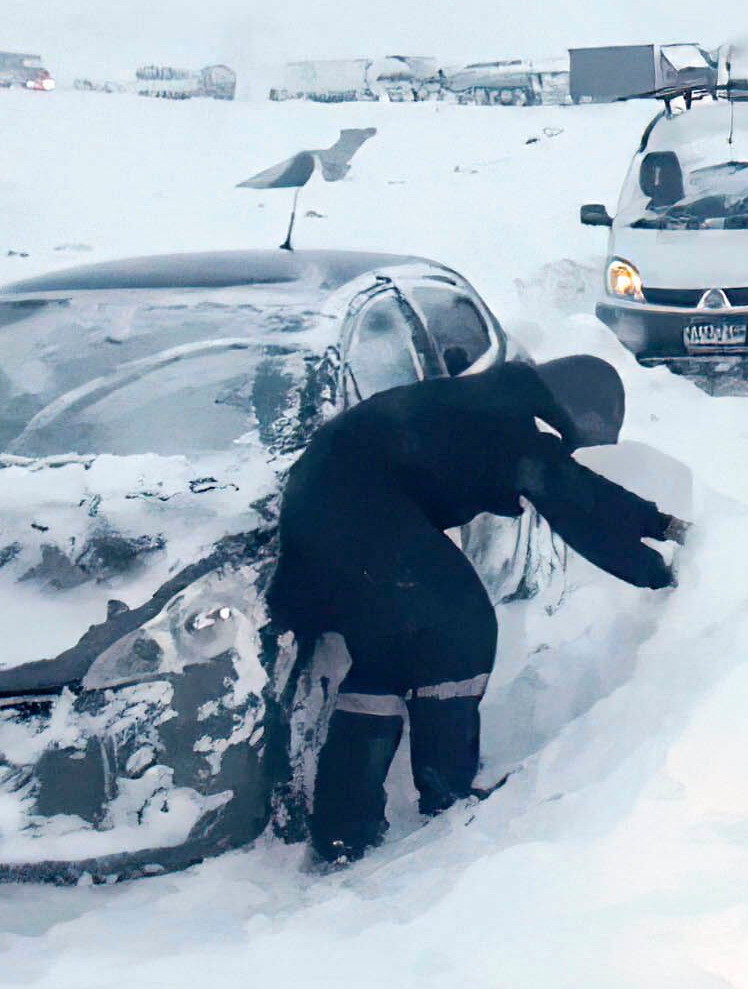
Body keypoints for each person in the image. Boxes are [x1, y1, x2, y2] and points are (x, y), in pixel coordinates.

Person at [269, 354, 684, 863]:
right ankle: (446, 795)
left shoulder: (486, 402)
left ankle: (343, 827)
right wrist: (658, 573)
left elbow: (580, 491)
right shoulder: (505, 429)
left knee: (386, 652)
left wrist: (656, 523)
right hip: (360, 515)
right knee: (457, 628)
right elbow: (580, 510)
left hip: (316, 510)